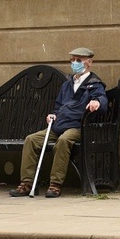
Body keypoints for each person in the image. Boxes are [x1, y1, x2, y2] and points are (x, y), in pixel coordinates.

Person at [9, 47, 108, 198]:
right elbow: (58, 106)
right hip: (59, 125)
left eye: (78, 60)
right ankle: (27, 183)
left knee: (63, 140)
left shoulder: (94, 84)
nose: (75, 63)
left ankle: (55, 184)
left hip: (77, 126)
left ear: (89, 62)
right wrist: (53, 115)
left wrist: (97, 102)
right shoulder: (67, 84)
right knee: (31, 140)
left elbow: (103, 101)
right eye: (72, 60)